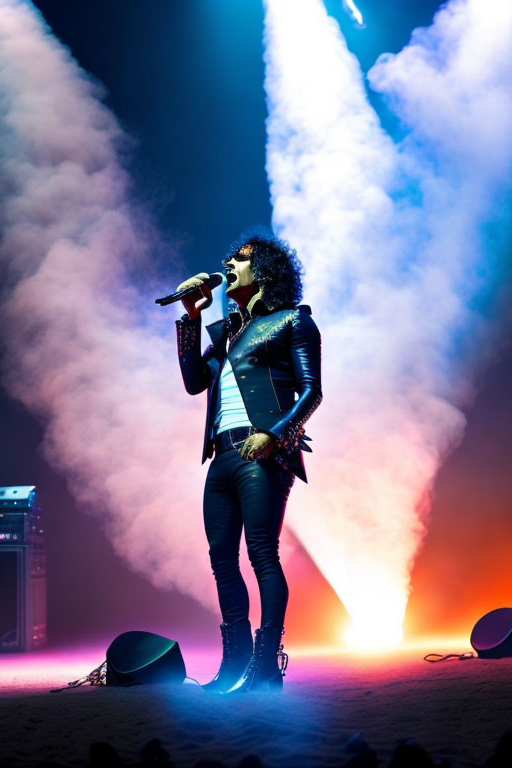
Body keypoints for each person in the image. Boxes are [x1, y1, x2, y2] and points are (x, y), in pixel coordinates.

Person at [175, 229, 322, 693]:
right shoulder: (224, 333)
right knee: (221, 559)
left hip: (262, 452)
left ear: (265, 272)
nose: (229, 264)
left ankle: (265, 663)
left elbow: (311, 391)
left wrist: (275, 436)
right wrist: (192, 318)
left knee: (261, 553)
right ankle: (233, 661)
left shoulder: (292, 322)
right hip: (220, 455)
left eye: (240, 258)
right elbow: (194, 382)